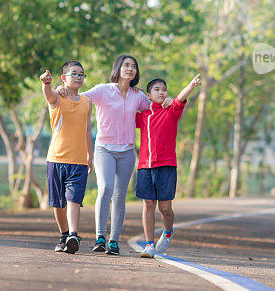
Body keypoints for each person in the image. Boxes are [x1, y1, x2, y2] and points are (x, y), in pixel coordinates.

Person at [73, 55, 170, 255]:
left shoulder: (138, 96)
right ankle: (100, 237)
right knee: (106, 188)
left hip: (127, 151)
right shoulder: (103, 90)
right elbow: (80, 97)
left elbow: (155, 110)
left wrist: (167, 101)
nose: (130, 69)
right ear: (118, 68)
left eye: (134, 66)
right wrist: (62, 90)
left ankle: (114, 241)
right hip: (104, 149)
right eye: (126, 65)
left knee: (119, 196)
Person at [135, 73, 202, 258]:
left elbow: (180, 98)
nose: (162, 92)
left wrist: (191, 85)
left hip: (166, 166)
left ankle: (168, 231)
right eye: (157, 90)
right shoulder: (143, 115)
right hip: (145, 166)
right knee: (148, 204)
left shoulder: (171, 111)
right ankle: (149, 244)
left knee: (165, 208)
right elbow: (125, 106)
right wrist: (133, 91)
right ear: (148, 95)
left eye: (164, 89)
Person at [40, 61, 94, 254]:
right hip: (56, 158)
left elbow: (88, 129)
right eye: (74, 74)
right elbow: (49, 96)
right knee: (58, 203)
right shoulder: (58, 96)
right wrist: (47, 83)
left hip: (78, 161)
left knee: (73, 199)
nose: (78, 77)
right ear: (64, 78)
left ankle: (73, 234)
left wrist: (90, 155)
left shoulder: (87, 101)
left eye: (81, 74)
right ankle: (64, 234)